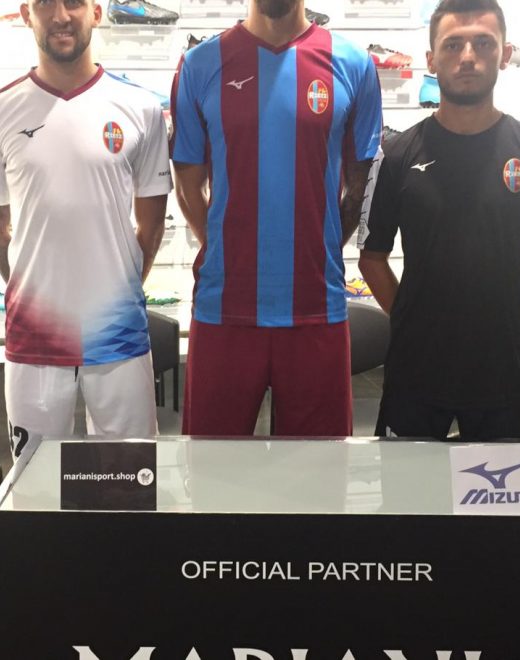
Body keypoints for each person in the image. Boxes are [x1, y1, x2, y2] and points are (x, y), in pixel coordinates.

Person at [170, 0, 382, 436]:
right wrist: (225, 246)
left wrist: (319, 248)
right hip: (224, 307)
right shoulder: (200, 64)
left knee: (317, 471)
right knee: (213, 467)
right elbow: (188, 183)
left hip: (315, 306)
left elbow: (359, 183)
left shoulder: (354, 64)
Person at [357, 0, 520, 441]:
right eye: (453, 45)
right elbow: (371, 258)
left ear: (505, 55)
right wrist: (413, 317)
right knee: (403, 485)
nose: (468, 56)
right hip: (416, 363)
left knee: (499, 488)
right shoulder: (396, 154)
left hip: (500, 366)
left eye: (483, 43)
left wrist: (500, 313)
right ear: (431, 60)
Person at [0, 0, 172, 455]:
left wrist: (119, 285)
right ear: (27, 13)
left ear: (96, 12)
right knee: (35, 481)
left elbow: (152, 223)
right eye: (46, 3)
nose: (61, 15)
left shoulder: (141, 108)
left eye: (75, 2)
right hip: (34, 334)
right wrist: (30, 288)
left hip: (119, 331)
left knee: (129, 475)